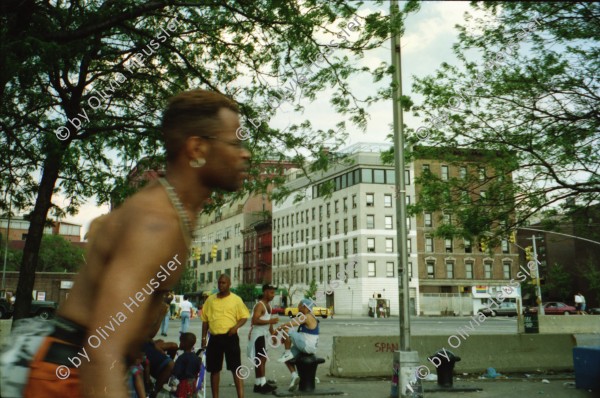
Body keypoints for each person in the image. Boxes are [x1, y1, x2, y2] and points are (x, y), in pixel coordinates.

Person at [0, 89, 250, 398]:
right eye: (235, 143)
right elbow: (100, 350)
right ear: (197, 148)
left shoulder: (175, 214)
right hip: (69, 378)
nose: (245, 153)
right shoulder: (155, 223)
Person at [201, 274, 249, 398]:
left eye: (224, 283)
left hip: (230, 337)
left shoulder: (236, 299)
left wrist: (235, 327)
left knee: (236, 368)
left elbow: (244, 316)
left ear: (229, 284)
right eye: (219, 283)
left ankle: (241, 396)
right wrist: (203, 338)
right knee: (214, 370)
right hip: (215, 338)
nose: (221, 285)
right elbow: (205, 320)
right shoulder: (210, 300)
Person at [276, 299, 320, 391]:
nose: (298, 307)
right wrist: (287, 338)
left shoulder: (307, 316)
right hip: (307, 345)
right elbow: (299, 334)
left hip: (306, 346)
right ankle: (294, 376)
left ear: (304, 306)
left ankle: (288, 353)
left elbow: (290, 324)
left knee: (287, 330)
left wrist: (278, 329)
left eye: (299, 305)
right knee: (284, 357)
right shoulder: (309, 316)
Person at [248, 284, 279, 394]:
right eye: (271, 292)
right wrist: (270, 322)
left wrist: (273, 334)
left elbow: (268, 322)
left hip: (264, 335)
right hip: (258, 335)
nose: (273, 295)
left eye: (274, 293)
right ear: (265, 292)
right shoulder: (259, 306)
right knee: (260, 359)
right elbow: (254, 321)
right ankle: (262, 384)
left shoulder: (269, 306)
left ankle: (258, 384)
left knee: (262, 359)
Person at [172, 333, 201, 398]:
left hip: (183, 384)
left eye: (181, 342)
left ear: (185, 344)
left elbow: (176, 372)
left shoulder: (181, 358)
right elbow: (198, 370)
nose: (180, 344)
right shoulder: (196, 358)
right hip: (193, 383)